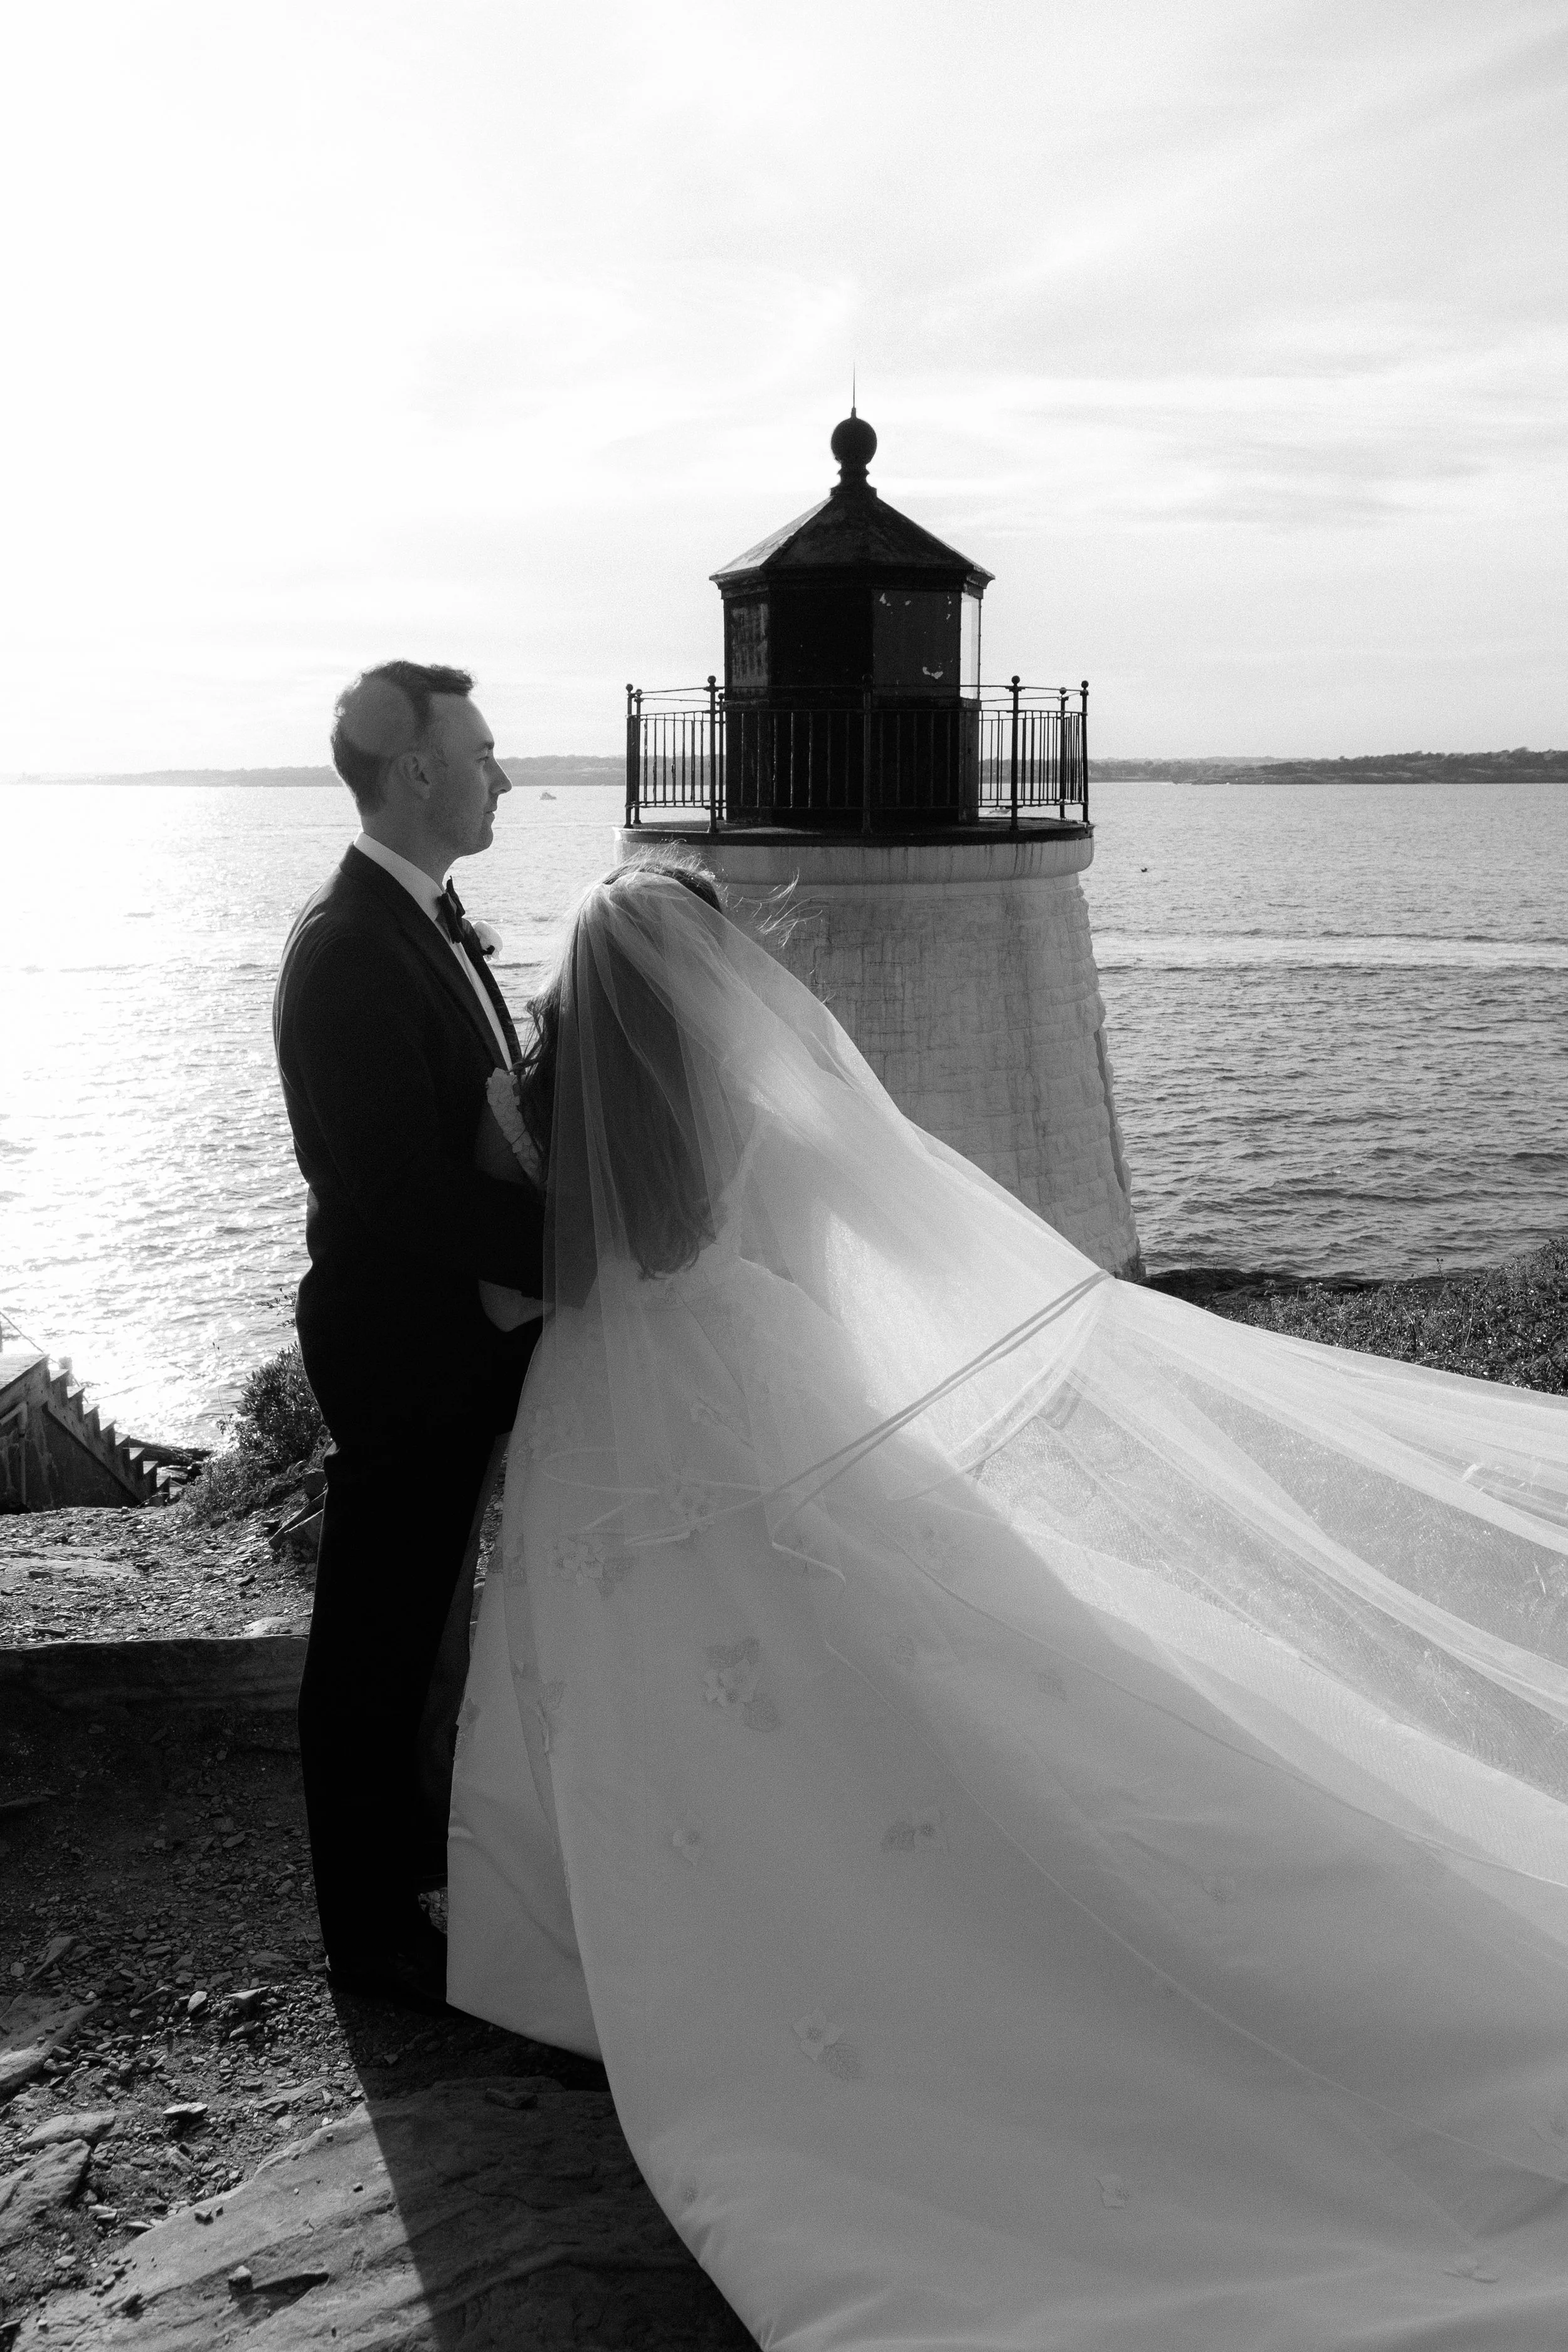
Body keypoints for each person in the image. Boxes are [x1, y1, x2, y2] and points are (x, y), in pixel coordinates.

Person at [450, 856, 1568, 2348]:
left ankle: (649, 1940)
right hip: (754, 1379)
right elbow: (865, 1239)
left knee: (638, 1683)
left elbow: (510, 1281)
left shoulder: (520, 1107)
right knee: (910, 1648)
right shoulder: (752, 1101)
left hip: (599, 1417)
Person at [273, 660, 544, 2011]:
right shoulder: (346, 949)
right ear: (419, 770)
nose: (505, 774)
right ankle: (364, 1925)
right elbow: (395, 1191)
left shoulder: (425, 917)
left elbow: (473, 1131)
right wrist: (572, 1254)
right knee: (379, 1624)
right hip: (398, 1341)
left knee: (429, 1611)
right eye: (485, 752)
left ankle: (411, 1865)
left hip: (452, 1332)